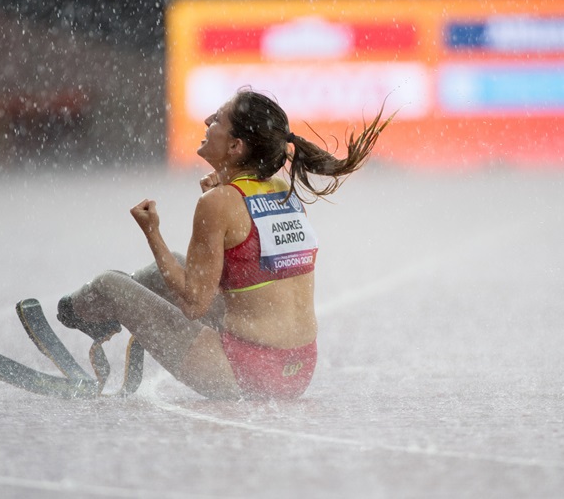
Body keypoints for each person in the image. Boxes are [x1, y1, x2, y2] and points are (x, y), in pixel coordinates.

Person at [55, 88, 394, 400]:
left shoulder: (219, 203)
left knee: (110, 284)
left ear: (236, 147)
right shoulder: (280, 190)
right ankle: (104, 318)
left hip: (244, 371)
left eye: (217, 119)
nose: (206, 122)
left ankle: (73, 311)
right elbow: (252, 277)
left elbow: (193, 305)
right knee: (168, 267)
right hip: (298, 369)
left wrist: (152, 231)